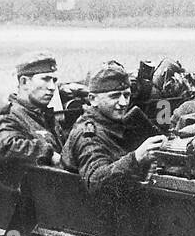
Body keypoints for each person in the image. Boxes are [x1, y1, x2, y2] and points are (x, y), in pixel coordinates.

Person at [61, 63, 167, 196]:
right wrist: (136, 158)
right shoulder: (88, 136)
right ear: (93, 99)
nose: (123, 103)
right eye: (114, 96)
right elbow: (95, 180)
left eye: (126, 95)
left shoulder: (116, 123)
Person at [0, 50, 63, 167]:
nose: (52, 87)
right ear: (24, 82)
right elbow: (5, 147)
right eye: (45, 79)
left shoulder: (44, 115)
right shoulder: (9, 117)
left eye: (54, 80)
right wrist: (48, 154)